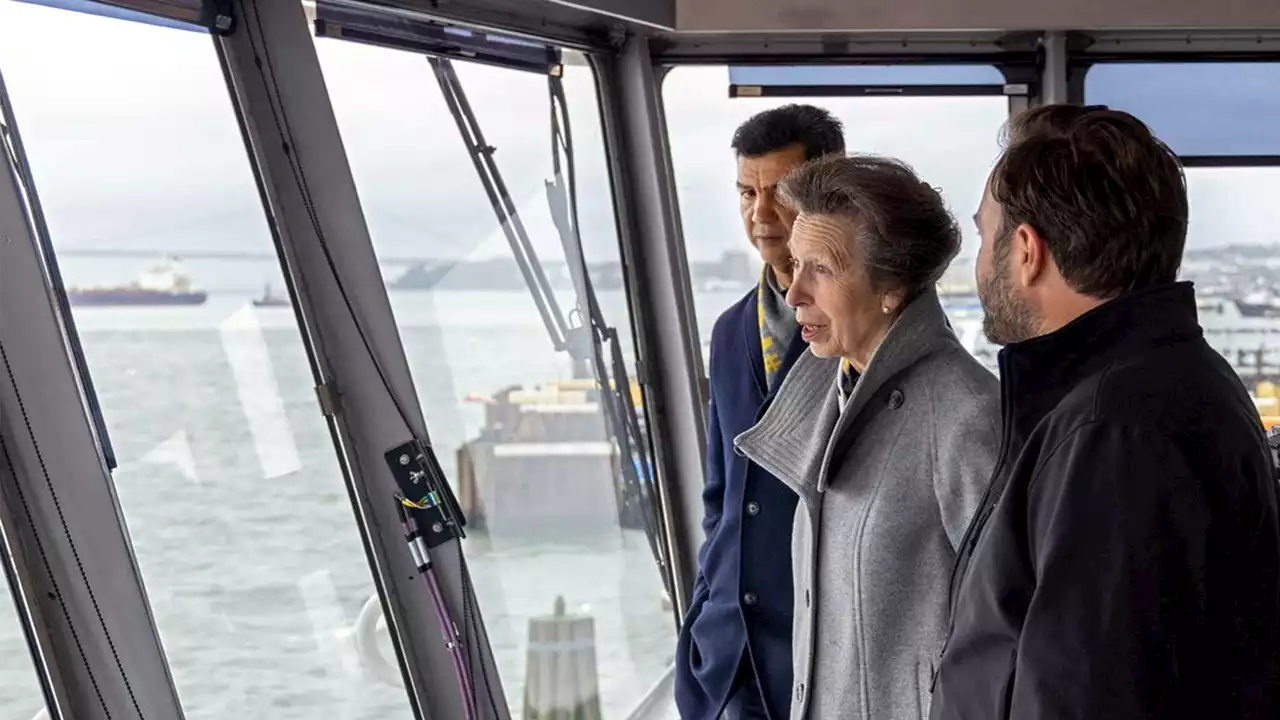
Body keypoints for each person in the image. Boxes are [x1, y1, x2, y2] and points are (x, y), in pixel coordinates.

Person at [930, 104, 1280, 719]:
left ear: (1027, 250)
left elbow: (1086, 695)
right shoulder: (1155, 388)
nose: (980, 265)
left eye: (985, 238)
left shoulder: (1113, 432)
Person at [735, 153, 1001, 720]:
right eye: (797, 265)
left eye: (823, 270)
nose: (794, 294)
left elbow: (1011, 640)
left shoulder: (968, 417)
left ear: (893, 288)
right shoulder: (829, 391)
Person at [674, 104, 845, 720]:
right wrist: (701, 612)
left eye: (780, 193)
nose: (761, 214)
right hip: (723, 661)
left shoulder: (863, 332)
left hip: (822, 660)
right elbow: (721, 495)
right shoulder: (728, 332)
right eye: (747, 192)